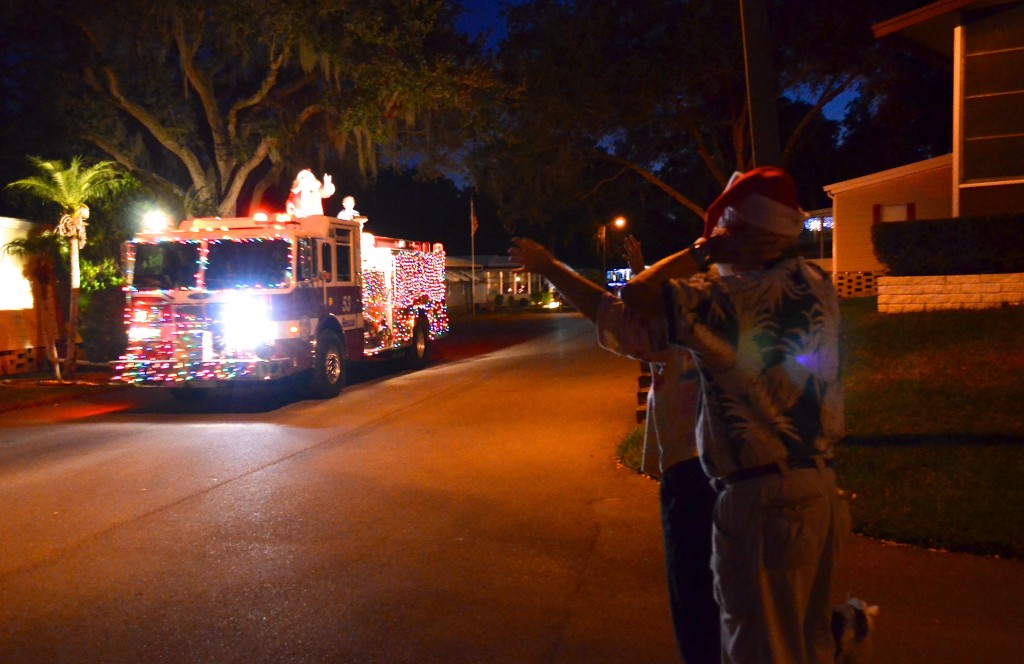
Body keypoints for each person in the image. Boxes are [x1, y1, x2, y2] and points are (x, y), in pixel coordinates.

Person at [619, 166, 848, 664]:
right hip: (819, 489)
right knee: (810, 646)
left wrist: (705, 253)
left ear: (735, 234)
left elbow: (635, 295)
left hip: (760, 500)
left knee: (758, 648)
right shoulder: (816, 283)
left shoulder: (727, 300)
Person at [508, 235, 721, 664]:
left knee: (703, 621)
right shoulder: (804, 294)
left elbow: (621, 311)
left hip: (699, 477)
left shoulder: (702, 306)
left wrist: (551, 267)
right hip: (787, 482)